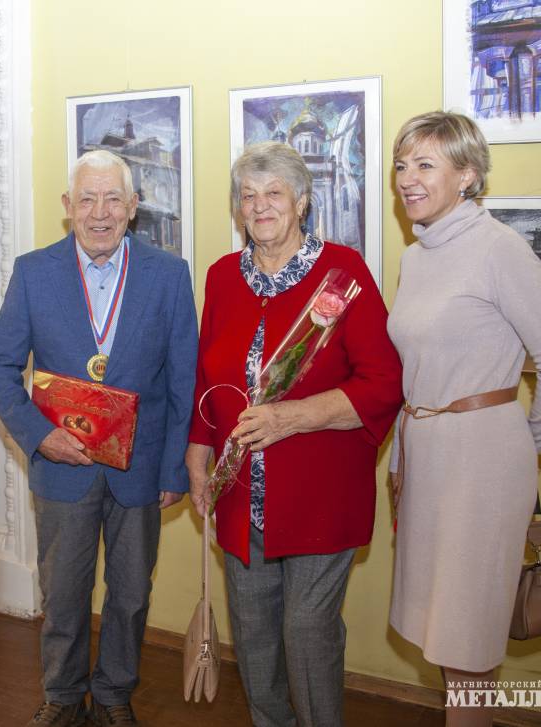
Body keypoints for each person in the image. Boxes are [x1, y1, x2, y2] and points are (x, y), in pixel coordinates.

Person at [186, 141, 402, 727]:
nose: (259, 207)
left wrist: (291, 417)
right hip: (241, 496)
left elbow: (384, 383)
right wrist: (198, 454)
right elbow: (209, 379)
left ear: (302, 203)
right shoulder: (223, 277)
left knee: (306, 632)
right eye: (248, 196)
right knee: (254, 636)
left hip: (319, 497)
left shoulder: (343, 274)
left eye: (273, 193)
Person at [0, 149, 197, 727]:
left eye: (112, 199)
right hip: (62, 468)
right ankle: (62, 694)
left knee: (129, 598)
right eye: (87, 199)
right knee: (63, 598)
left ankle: (113, 695)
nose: (99, 213)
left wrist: (175, 470)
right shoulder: (33, 272)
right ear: (67, 206)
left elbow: (183, 382)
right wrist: (39, 434)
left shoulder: (170, 276)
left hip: (140, 472)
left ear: (133, 206)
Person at [388, 111, 541, 727]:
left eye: (425, 164)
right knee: (444, 633)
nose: (407, 179)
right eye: (401, 164)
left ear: (467, 175)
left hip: (481, 463)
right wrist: (402, 456)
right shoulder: (417, 258)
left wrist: (519, 450)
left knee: (468, 638)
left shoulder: (501, 248)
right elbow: (415, 369)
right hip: (426, 458)